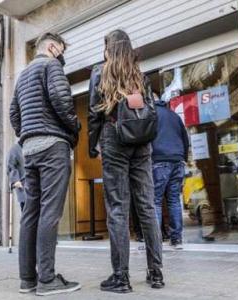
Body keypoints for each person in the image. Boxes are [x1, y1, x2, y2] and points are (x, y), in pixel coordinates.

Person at [88, 29, 164, 293]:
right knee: (146, 206)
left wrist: (91, 146)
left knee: (118, 209)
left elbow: (94, 114)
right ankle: (156, 274)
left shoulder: (100, 72)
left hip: (114, 138)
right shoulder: (140, 75)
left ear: (108, 48)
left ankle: (121, 278)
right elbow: (148, 109)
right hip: (141, 142)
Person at [9, 32, 81, 296]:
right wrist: (75, 129)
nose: (63, 54)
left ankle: (27, 279)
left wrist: (27, 135)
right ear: (53, 47)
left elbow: (13, 113)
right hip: (53, 146)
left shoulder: (23, 74)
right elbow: (63, 101)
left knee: (31, 213)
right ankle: (48, 281)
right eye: (62, 49)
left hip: (30, 150)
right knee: (50, 213)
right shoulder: (51, 65)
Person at [151, 94, 189, 250]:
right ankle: (176, 239)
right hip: (177, 161)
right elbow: (185, 138)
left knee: (155, 201)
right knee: (174, 200)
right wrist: (183, 157)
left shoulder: (150, 114)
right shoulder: (173, 115)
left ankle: (155, 241)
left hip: (159, 160)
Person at [7, 142, 26, 211]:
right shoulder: (15, 149)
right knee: (27, 218)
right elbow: (10, 166)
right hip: (25, 190)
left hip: (38, 191)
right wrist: (16, 180)